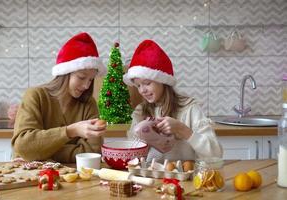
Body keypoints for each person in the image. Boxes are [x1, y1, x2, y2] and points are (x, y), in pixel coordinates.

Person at [12, 32, 107, 163]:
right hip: (30, 177)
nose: (86, 85)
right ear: (65, 73)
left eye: (91, 79)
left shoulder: (88, 103)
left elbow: (91, 153)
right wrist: (71, 131)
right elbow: (24, 145)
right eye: (81, 77)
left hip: (73, 178)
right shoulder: (35, 95)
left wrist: (39, 153)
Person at [123, 40, 222, 162]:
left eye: (147, 83)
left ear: (163, 81)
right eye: (138, 86)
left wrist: (182, 130)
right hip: (150, 178)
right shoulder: (140, 112)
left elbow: (216, 154)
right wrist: (144, 138)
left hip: (185, 179)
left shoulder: (189, 109)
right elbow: (132, 159)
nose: (142, 90)